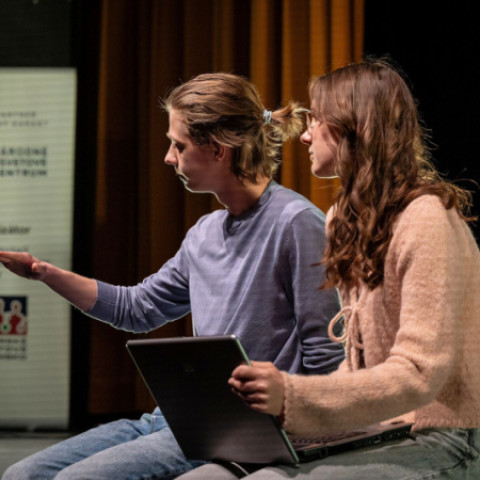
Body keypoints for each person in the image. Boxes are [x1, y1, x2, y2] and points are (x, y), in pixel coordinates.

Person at [0, 72, 344, 480]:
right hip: (175, 420)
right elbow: (136, 308)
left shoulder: (296, 223)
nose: (168, 157)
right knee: (21, 475)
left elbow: (326, 358)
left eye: (178, 145)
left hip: (238, 430)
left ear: (218, 150)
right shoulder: (204, 234)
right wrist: (43, 272)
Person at [176, 59, 480, 480]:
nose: (304, 135)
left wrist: (293, 397)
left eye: (316, 120)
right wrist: (276, 416)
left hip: (440, 435)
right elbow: (356, 369)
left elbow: (419, 373)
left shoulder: (426, 219)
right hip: (375, 427)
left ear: (354, 127)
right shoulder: (344, 218)